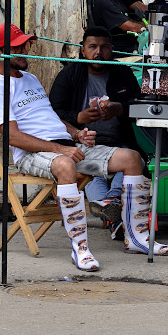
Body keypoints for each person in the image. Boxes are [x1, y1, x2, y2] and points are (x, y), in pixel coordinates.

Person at [0, 24, 168, 269]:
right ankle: (80, 249)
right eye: (15, 47)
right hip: (33, 153)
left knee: (132, 158)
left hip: (66, 146)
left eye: (24, 45)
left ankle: (137, 237)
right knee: (65, 164)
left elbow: (52, 118)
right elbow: (12, 137)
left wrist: (77, 133)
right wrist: (61, 149)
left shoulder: (31, 79)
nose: (23, 51)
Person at [49, 26, 149, 241]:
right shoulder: (69, 75)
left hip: (117, 144)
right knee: (93, 178)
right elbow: (53, 113)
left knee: (136, 161)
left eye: (104, 47)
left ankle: (110, 203)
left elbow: (139, 104)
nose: (98, 52)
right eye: (92, 47)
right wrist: (78, 118)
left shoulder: (122, 72)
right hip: (83, 147)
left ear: (112, 50)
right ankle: (114, 216)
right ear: (83, 50)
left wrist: (120, 109)